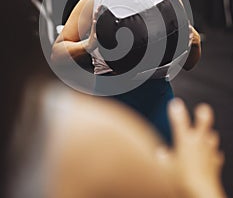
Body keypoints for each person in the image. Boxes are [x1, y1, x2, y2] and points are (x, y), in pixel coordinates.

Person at [51, 0, 201, 144]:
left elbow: (189, 63)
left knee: (160, 177)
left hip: (158, 102)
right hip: (111, 107)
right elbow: (57, 54)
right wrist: (88, 44)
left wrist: (196, 43)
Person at [7, 80, 226, 198]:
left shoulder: (169, 2)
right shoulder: (95, 1)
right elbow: (60, 50)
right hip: (113, 103)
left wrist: (192, 43)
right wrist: (201, 186)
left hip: (158, 101)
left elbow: (188, 60)